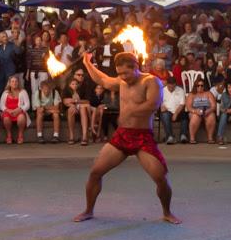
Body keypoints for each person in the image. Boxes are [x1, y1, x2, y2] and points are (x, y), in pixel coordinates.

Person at [74, 52, 179, 224]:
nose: (122, 77)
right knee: (95, 173)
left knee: (160, 177)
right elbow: (103, 80)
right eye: (120, 73)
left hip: (143, 136)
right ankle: (88, 210)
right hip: (122, 135)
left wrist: (131, 111)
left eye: (126, 73)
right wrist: (87, 62)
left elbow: (154, 104)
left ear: (136, 67)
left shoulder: (151, 81)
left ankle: (167, 212)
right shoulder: (122, 82)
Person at [0, 32, 22, 106]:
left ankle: (9, 107)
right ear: (0, 38)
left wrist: (16, 42)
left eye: (5, 36)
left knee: (9, 89)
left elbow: (18, 52)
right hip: (0, 70)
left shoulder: (12, 45)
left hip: (10, 70)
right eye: (2, 37)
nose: (5, 38)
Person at [0, 75, 30, 145]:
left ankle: (20, 135)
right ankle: (9, 135)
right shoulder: (5, 93)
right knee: (6, 118)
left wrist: (19, 109)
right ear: (9, 83)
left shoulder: (23, 92)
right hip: (8, 112)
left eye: (16, 81)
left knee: (21, 118)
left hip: (19, 112)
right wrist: (8, 110)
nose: (14, 83)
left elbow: (27, 105)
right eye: (12, 81)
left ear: (18, 83)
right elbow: (1, 105)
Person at [186, 77, 216, 144]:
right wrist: (195, 111)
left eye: (202, 85)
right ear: (195, 86)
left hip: (207, 111)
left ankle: (210, 138)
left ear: (204, 86)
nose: (200, 87)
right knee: (195, 117)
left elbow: (213, 105)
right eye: (198, 85)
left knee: (211, 116)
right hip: (195, 111)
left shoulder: (208, 93)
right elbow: (188, 107)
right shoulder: (191, 94)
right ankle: (192, 138)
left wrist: (209, 110)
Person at [63, 78, 91, 145]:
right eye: (72, 84)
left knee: (83, 108)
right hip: (70, 109)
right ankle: (71, 136)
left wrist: (75, 101)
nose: (74, 85)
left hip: (80, 108)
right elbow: (65, 101)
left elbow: (87, 101)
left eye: (76, 84)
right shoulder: (66, 91)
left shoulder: (81, 91)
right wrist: (73, 105)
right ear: (69, 85)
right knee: (71, 110)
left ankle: (84, 137)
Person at [159, 76, 186, 144]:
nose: (171, 87)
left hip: (178, 111)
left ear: (175, 84)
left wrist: (176, 113)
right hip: (167, 111)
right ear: (167, 84)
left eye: (173, 86)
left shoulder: (180, 90)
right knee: (165, 115)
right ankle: (170, 136)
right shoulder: (162, 91)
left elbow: (182, 104)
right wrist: (161, 106)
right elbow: (158, 103)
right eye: (169, 86)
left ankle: (183, 135)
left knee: (185, 114)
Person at [32, 79, 61, 144]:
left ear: (51, 88)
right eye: (44, 89)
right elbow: (39, 109)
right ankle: (39, 135)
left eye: (48, 89)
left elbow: (56, 107)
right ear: (41, 88)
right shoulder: (38, 93)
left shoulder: (55, 92)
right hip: (44, 112)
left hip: (51, 113)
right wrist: (49, 109)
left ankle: (56, 136)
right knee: (39, 114)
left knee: (56, 114)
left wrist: (44, 108)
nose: (46, 91)